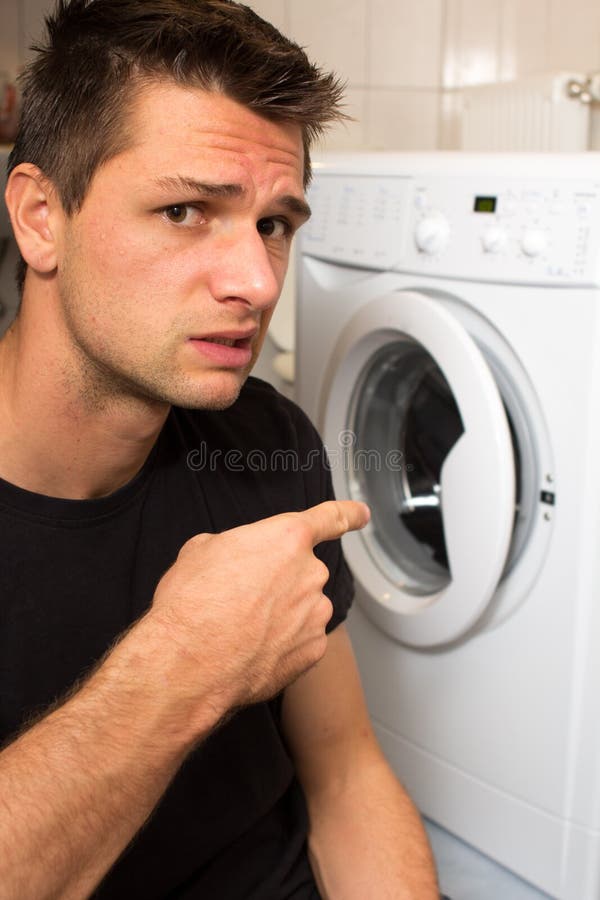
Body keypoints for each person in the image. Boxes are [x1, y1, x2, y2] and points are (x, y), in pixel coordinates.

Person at [0, 1, 440, 897]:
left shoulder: (267, 441)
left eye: (274, 224)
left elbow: (347, 777)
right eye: (186, 210)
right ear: (42, 216)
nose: (256, 280)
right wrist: (187, 664)